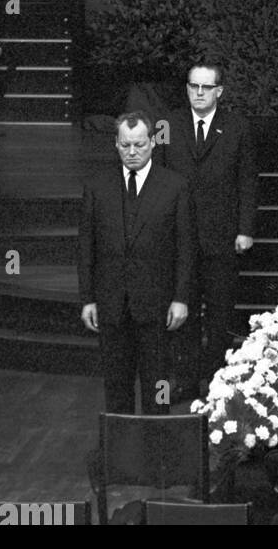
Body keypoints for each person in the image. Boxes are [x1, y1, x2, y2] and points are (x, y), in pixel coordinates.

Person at [78, 111, 194, 414]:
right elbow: (86, 246)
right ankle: (121, 452)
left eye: (139, 145)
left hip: (157, 304)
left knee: (158, 383)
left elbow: (185, 247)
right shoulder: (97, 186)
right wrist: (87, 298)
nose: (132, 152)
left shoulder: (175, 186)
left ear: (152, 143)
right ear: (116, 144)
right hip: (112, 303)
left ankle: (159, 446)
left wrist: (181, 298)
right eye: (126, 145)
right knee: (116, 384)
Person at [161, 60, 258, 398]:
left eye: (206, 87)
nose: (198, 93)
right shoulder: (168, 124)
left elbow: (246, 180)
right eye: (193, 86)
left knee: (219, 313)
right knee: (182, 310)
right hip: (179, 237)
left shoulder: (237, 127)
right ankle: (185, 380)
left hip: (222, 237)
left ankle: (217, 380)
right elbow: (157, 179)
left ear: (219, 91)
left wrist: (245, 228)